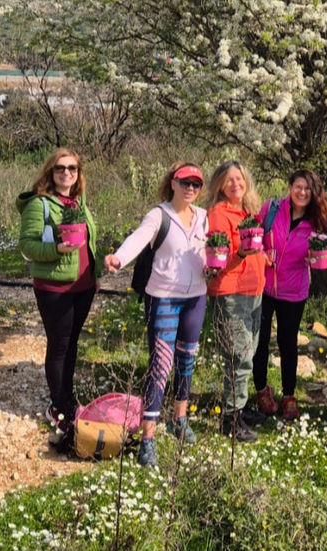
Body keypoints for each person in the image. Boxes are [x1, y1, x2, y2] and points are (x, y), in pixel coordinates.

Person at [104, 163, 208, 466]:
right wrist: (119, 258)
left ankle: (178, 418)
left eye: (196, 184)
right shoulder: (159, 215)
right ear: (172, 183)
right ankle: (148, 438)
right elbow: (138, 239)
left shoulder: (203, 217)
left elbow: (212, 249)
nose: (190, 189)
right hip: (163, 298)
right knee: (161, 365)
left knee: (186, 359)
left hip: (196, 298)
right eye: (185, 182)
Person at [17, 148, 98, 447]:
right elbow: (27, 246)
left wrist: (96, 274)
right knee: (59, 345)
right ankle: (58, 406)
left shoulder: (79, 203)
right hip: (55, 288)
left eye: (72, 168)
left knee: (72, 343)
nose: (67, 173)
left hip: (83, 287)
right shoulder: (39, 204)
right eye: (60, 168)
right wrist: (56, 250)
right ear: (50, 172)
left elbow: (89, 242)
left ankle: (68, 398)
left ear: (79, 173)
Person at [252, 169, 327, 422]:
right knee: (260, 341)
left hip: (294, 291)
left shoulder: (317, 221)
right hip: (264, 286)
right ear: (290, 187)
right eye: (298, 186)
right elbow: (254, 237)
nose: (302, 192)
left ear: (313, 193)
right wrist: (261, 254)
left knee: (288, 343)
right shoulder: (272, 209)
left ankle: (289, 395)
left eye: (307, 189)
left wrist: (317, 258)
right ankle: (261, 389)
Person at [206, 160, 268, 442]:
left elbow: (255, 248)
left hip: (254, 291)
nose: (236, 184)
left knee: (248, 353)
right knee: (238, 356)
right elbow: (218, 258)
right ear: (220, 185)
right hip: (231, 292)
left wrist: (264, 257)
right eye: (229, 180)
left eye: (240, 179)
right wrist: (242, 254)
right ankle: (231, 419)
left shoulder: (247, 211)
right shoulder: (219, 213)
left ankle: (239, 407)